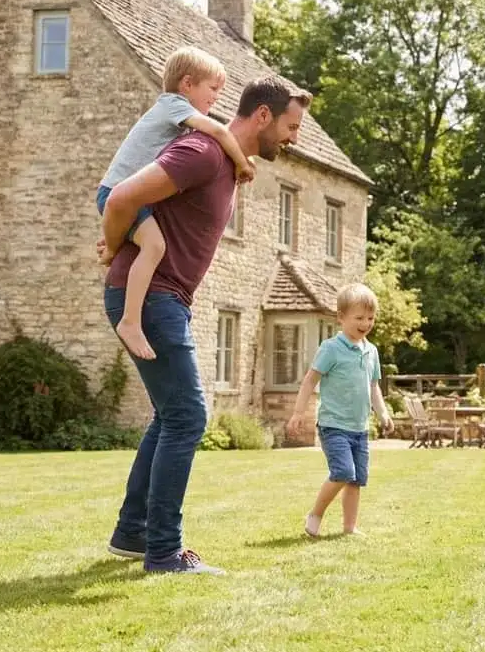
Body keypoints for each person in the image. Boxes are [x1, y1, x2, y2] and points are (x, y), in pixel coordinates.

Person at [99, 75, 309, 575]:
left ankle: (134, 533)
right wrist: (111, 244)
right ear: (262, 115)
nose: (293, 138)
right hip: (153, 297)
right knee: (188, 417)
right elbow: (119, 197)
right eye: (290, 126)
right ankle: (165, 553)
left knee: (170, 416)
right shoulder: (202, 152)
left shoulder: (227, 163)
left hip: (164, 297)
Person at [96, 46, 256, 362]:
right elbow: (219, 130)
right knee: (155, 247)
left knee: (149, 242)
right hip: (117, 192)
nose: (216, 98)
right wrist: (243, 164)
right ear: (187, 84)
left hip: (125, 194)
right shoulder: (173, 105)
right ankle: (130, 321)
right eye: (212, 89)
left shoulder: (175, 114)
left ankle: (111, 247)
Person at [286, 283, 394, 538]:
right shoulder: (331, 348)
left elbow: (373, 387)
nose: (365, 323)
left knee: (356, 480)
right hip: (334, 425)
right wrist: (298, 413)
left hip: (360, 427)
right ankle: (315, 514)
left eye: (370, 318)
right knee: (343, 472)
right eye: (359, 318)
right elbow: (310, 380)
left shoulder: (371, 351)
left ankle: (349, 528)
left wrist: (383, 413)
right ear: (341, 318)